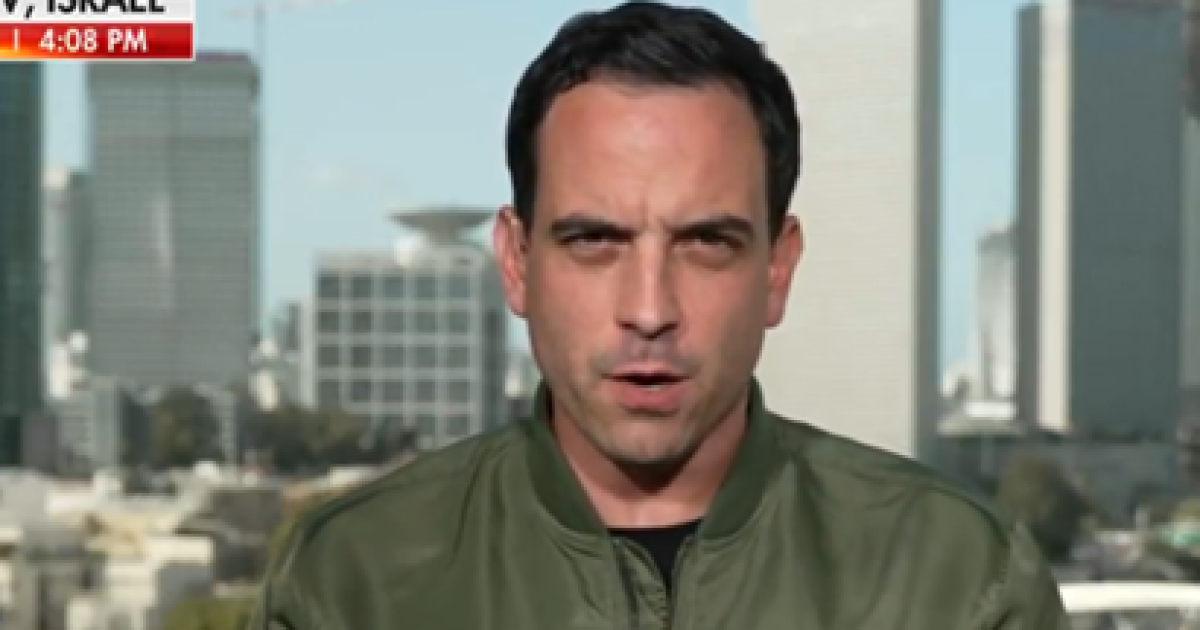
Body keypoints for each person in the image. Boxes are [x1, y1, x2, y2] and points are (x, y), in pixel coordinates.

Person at [250, 2, 1071, 628]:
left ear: (777, 270)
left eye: (707, 242)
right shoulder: (351, 584)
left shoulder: (960, 582)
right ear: (517, 261)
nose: (649, 310)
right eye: (595, 241)